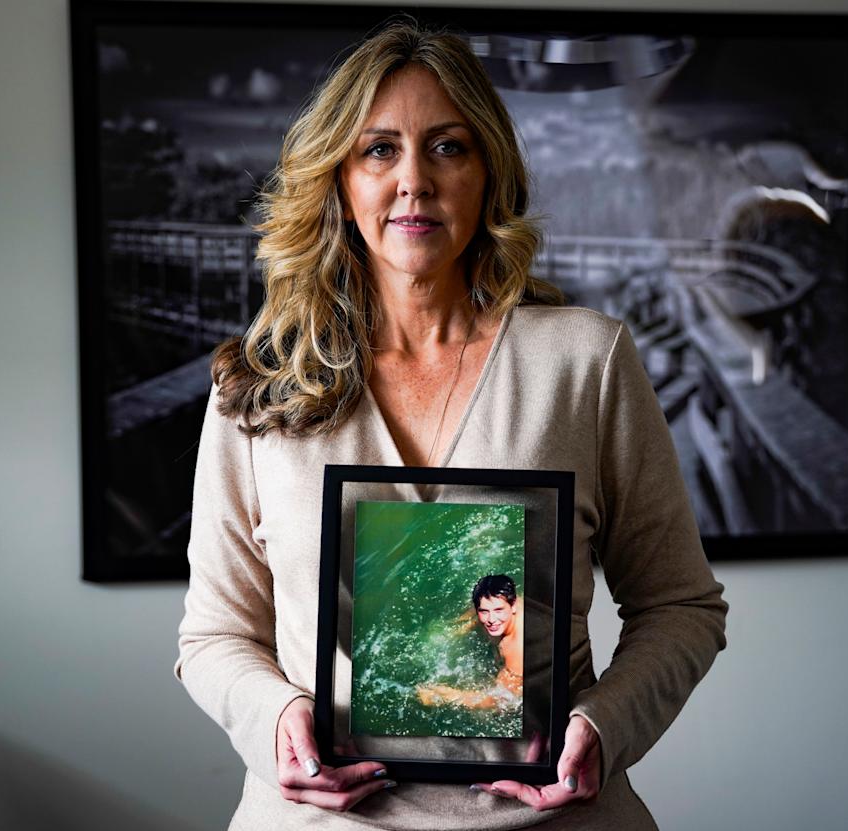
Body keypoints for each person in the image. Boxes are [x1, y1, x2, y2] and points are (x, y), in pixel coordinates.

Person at [175, 21, 727, 830]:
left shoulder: (586, 361)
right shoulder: (256, 387)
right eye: (378, 150)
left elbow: (682, 605)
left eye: (447, 147)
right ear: (338, 177)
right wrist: (277, 720)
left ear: (487, 172)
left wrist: (603, 728)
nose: (413, 182)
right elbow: (214, 634)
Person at [417, 574, 524, 708]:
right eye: (484, 611)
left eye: (498, 610)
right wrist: (462, 628)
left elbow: (500, 701)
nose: (491, 619)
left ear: (512, 606)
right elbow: (486, 606)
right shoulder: (502, 599)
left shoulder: (517, 651)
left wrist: (446, 696)